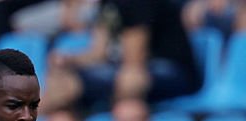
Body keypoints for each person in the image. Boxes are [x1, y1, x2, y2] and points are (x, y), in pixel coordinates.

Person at [42, 0, 201, 113]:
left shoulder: (136, 3)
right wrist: (70, 60)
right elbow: (99, 53)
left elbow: (134, 59)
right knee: (61, 78)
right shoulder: (107, 4)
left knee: (129, 80)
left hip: (174, 72)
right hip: (125, 68)